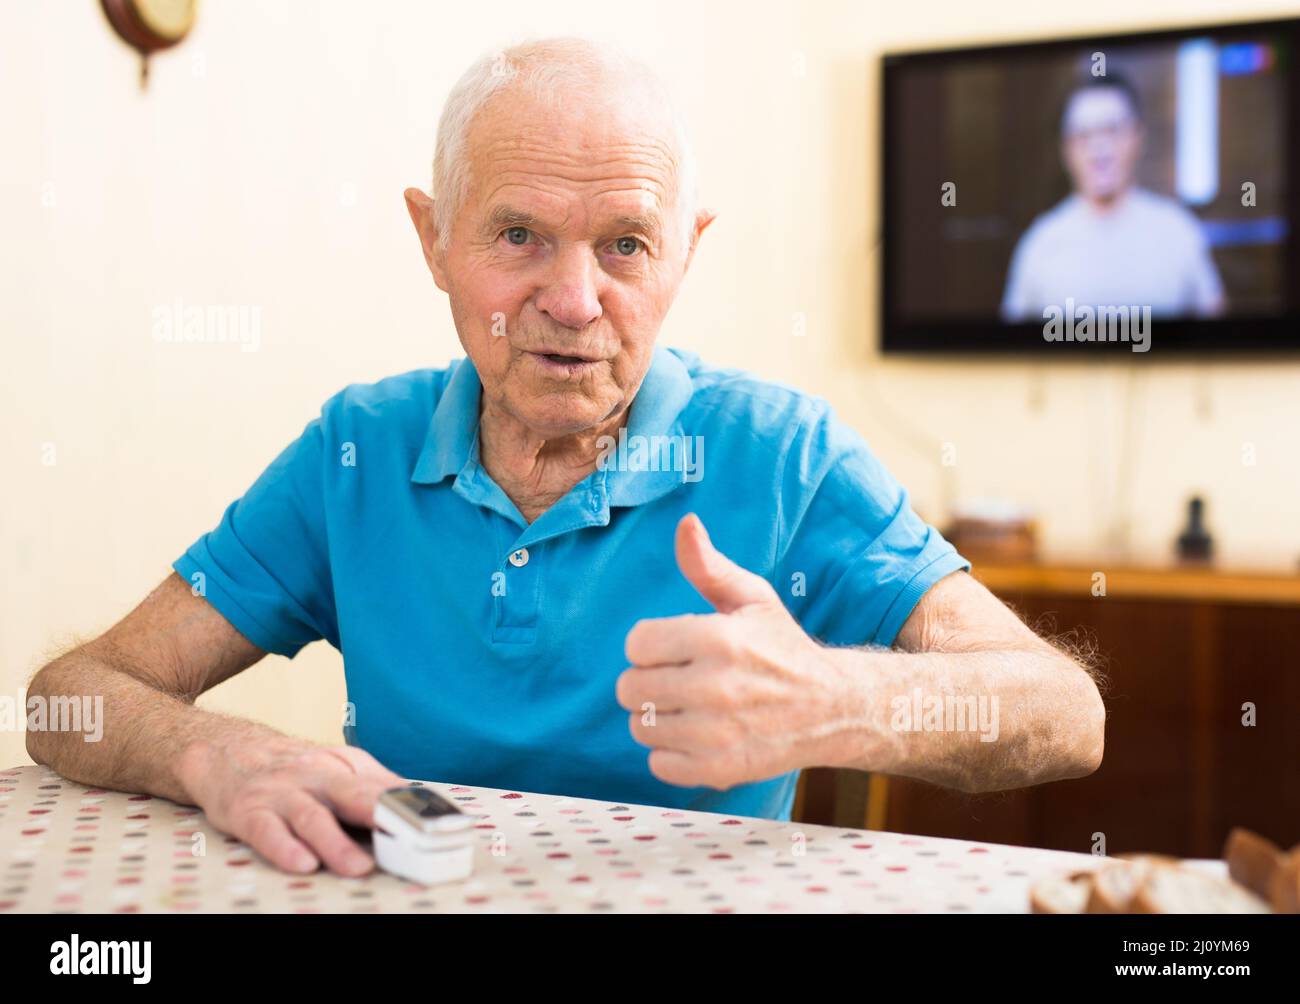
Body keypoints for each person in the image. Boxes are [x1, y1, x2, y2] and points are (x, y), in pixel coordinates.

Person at [28, 37, 1104, 879]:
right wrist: (220, 755)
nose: (575, 300)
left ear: (686, 249)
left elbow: (1065, 711)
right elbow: (69, 695)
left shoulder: (783, 454)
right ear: (432, 237)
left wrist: (832, 697)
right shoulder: (354, 448)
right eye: (518, 236)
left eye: (626, 243)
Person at [1001, 73, 1225, 320]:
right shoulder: (1041, 243)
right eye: (1083, 136)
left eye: (1112, 130)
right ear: (1066, 149)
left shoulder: (1178, 231)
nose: (1099, 150)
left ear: (1138, 136)